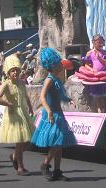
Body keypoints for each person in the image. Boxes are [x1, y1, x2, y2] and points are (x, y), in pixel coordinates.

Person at [31, 48, 77, 181]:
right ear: (52, 65)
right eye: (58, 64)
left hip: (58, 113)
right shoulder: (49, 80)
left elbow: (61, 95)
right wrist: (49, 111)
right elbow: (42, 97)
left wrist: (70, 100)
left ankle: (57, 170)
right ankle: (45, 164)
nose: (61, 65)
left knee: (60, 142)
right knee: (57, 141)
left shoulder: (56, 79)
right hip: (51, 114)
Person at [0, 54, 35, 176]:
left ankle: (14, 156)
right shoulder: (6, 84)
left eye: (16, 70)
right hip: (13, 115)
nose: (15, 73)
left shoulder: (21, 83)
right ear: (8, 72)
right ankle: (20, 167)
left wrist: (30, 107)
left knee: (28, 141)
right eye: (12, 71)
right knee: (20, 141)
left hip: (23, 113)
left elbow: (26, 96)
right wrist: (8, 103)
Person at [82, 34, 106, 113]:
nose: (101, 44)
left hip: (104, 76)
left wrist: (99, 58)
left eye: (102, 42)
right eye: (99, 42)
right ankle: (100, 114)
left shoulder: (104, 52)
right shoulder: (89, 53)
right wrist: (91, 70)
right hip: (96, 77)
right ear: (94, 43)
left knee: (105, 99)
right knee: (98, 100)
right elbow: (86, 65)